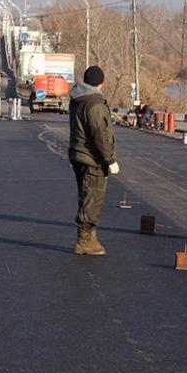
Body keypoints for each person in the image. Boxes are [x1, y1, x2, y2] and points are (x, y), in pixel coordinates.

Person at [68, 65, 118, 256]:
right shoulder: (95, 103)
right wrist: (110, 159)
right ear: (100, 83)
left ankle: (90, 237)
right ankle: (85, 241)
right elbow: (100, 134)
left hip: (78, 154)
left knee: (85, 196)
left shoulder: (78, 98)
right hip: (92, 159)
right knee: (93, 198)